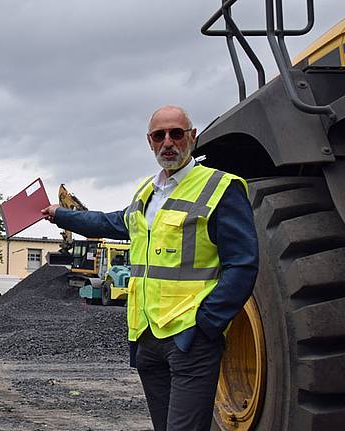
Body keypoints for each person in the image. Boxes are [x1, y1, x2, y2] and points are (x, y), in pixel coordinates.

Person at [42, 105, 258, 431]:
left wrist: (206, 325)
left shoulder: (220, 188)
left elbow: (243, 264)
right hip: (147, 337)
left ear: (192, 137)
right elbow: (112, 222)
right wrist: (61, 214)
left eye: (176, 133)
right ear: (150, 142)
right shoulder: (148, 192)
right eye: (160, 135)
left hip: (191, 338)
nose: (168, 142)